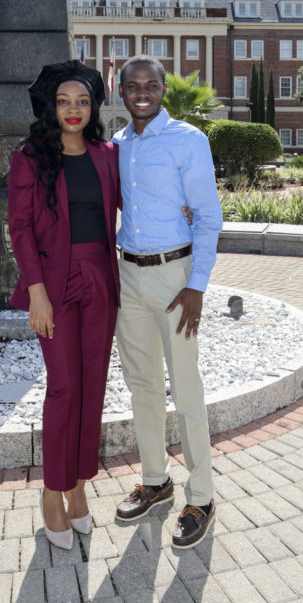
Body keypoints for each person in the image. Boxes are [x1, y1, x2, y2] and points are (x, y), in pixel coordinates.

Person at [8, 59, 120, 550]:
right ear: (50, 107)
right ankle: (52, 493)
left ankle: (78, 489)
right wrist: (37, 293)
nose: (73, 110)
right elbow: (21, 229)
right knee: (64, 388)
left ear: (93, 107)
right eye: (63, 101)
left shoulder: (108, 153)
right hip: (53, 284)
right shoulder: (29, 157)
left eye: (82, 101)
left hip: (101, 278)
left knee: (92, 386)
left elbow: (134, 203)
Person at [113, 54, 223, 549]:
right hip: (127, 276)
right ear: (120, 91)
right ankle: (156, 481)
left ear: (163, 90)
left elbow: (208, 216)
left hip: (175, 277)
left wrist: (197, 284)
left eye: (150, 85)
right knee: (142, 387)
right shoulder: (116, 145)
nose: (141, 92)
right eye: (132, 85)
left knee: (186, 389)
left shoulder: (188, 140)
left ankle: (201, 496)